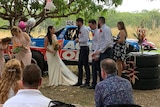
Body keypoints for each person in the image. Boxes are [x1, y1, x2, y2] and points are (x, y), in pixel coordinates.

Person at [73, 18, 90, 87]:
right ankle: (79, 81)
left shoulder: (84, 29)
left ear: (80, 22)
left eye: (77, 22)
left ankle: (87, 81)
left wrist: (78, 40)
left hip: (85, 48)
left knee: (85, 65)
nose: (76, 24)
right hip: (81, 48)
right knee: (80, 64)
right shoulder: (80, 29)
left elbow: (86, 39)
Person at [88, 19, 102, 89]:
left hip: (96, 52)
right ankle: (94, 83)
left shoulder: (98, 32)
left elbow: (98, 44)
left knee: (98, 69)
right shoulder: (95, 32)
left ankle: (99, 83)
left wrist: (96, 54)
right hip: (94, 51)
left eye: (91, 26)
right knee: (93, 69)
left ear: (94, 24)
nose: (90, 28)